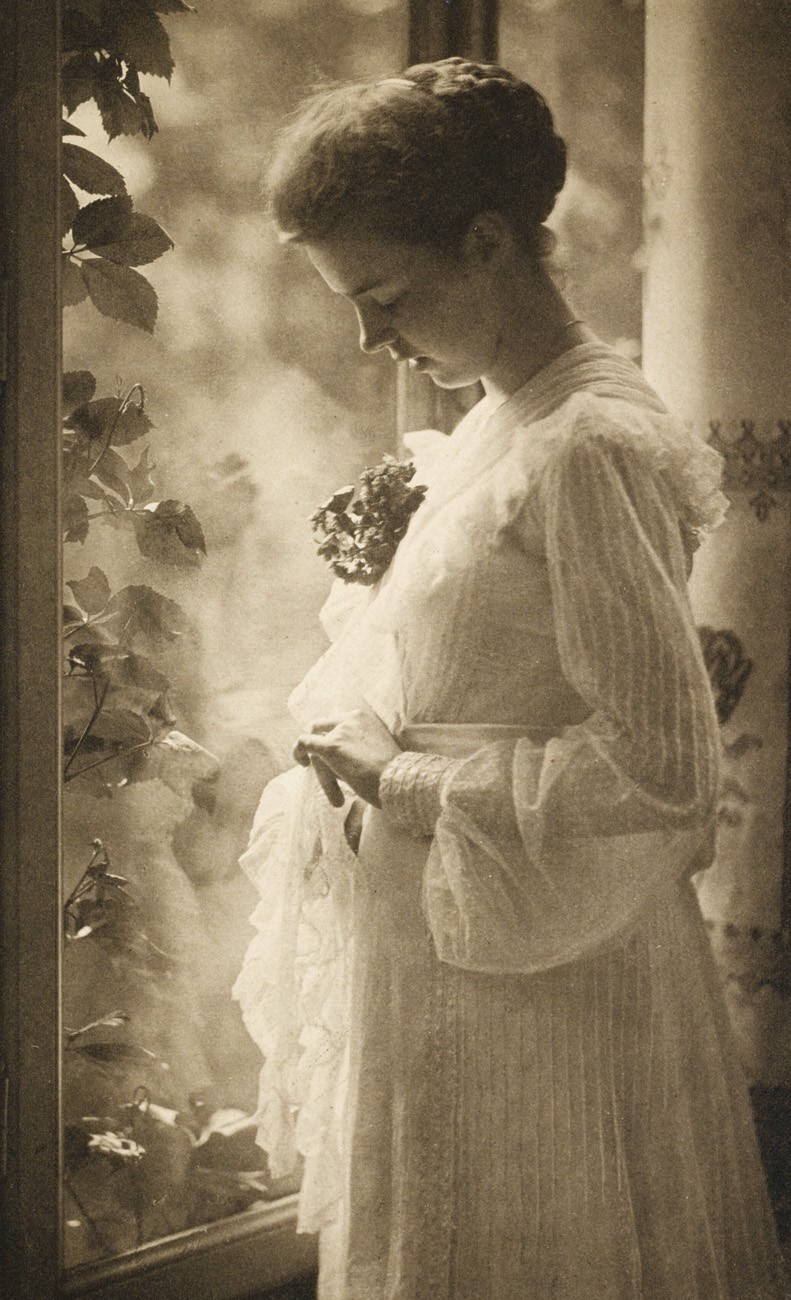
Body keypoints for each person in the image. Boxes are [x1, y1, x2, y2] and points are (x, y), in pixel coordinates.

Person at [233, 58, 789, 1299]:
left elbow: (662, 768)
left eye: (382, 294)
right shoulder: (500, 415)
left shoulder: (584, 444)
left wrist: (405, 774)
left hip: (547, 982)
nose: (368, 337)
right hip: (458, 951)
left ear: (487, 242)